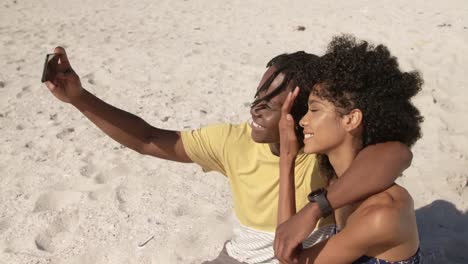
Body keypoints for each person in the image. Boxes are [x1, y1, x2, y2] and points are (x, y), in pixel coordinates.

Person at [43, 47, 412, 264]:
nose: (256, 106)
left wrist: (316, 204)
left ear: (301, 110)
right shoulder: (233, 142)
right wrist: (80, 99)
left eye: (273, 99)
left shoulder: (324, 153)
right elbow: (147, 139)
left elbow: (394, 153)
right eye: (259, 93)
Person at [275, 35, 423, 263]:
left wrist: (313, 206)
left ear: (351, 119)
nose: (303, 120)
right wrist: (287, 158)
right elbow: (285, 243)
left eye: (314, 110)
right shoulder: (336, 183)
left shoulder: (382, 213)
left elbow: (290, 259)